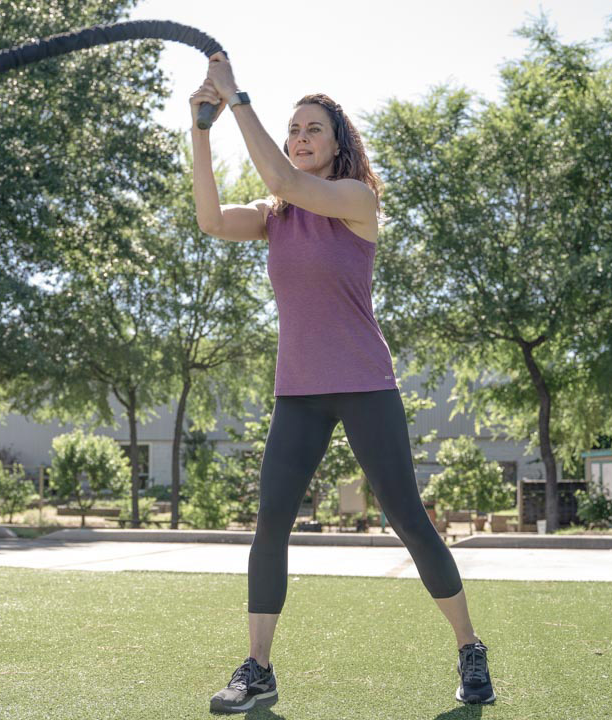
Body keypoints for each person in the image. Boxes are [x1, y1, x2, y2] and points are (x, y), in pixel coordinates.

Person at [188, 52, 496, 713]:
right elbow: (211, 221)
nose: (299, 139)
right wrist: (202, 128)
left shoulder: (355, 202)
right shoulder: (276, 215)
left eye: (311, 130)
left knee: (408, 519)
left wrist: (238, 95)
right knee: (270, 521)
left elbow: (282, 178)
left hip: (362, 382)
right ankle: (258, 667)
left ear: (337, 145)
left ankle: (470, 648)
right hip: (298, 390)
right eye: (293, 128)